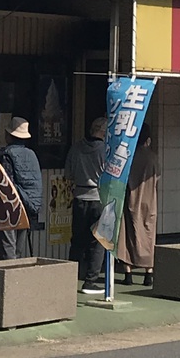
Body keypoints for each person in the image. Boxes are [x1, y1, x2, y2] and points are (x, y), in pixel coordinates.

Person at [64, 116, 107, 295]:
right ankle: (90, 280)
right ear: (104, 132)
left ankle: (69, 278)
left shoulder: (76, 147)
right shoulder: (105, 150)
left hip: (80, 196)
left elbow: (68, 174)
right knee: (98, 241)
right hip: (99, 197)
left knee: (77, 241)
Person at [0, 116, 43, 260]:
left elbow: (6, 183)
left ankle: (8, 278)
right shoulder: (32, 154)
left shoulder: (7, 155)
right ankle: (16, 277)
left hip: (12, 205)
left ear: (9, 136)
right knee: (18, 248)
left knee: (7, 248)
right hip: (29, 206)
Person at [118, 129, 158, 286]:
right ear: (147, 140)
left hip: (130, 199)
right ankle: (149, 274)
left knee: (128, 235)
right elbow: (157, 179)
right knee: (149, 236)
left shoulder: (128, 157)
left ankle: (128, 274)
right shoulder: (153, 157)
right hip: (149, 201)